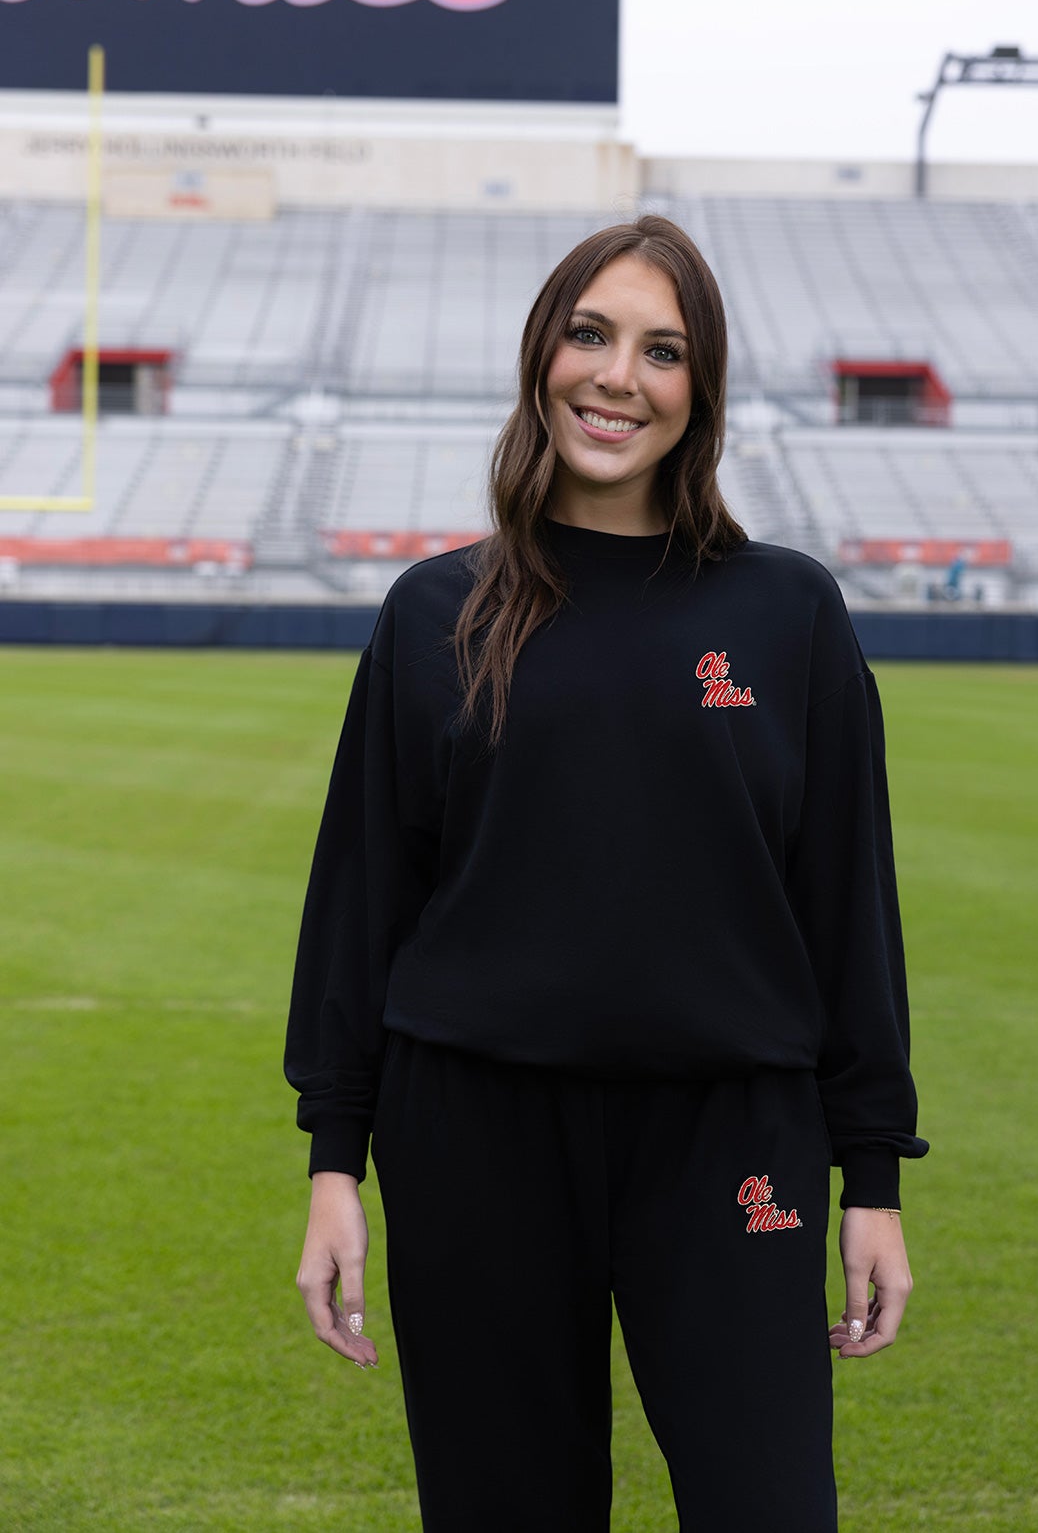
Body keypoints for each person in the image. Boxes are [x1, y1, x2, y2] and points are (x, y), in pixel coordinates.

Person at [284, 213, 930, 1532]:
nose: (617, 376)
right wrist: (335, 1163)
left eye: (662, 350)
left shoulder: (789, 611)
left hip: (731, 1136)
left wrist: (872, 1177)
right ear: (543, 354)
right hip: (475, 1135)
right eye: (590, 334)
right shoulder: (436, 613)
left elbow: (847, 902)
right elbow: (363, 900)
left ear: (701, 388)